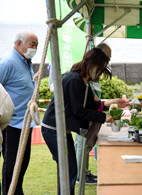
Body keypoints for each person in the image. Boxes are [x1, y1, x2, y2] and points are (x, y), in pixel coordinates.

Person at [41, 46, 129, 195]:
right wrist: (104, 117)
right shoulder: (74, 79)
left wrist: (110, 102)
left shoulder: (82, 81)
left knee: (68, 169)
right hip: (53, 129)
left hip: (60, 129)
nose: (99, 73)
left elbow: (90, 105)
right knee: (69, 169)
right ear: (93, 64)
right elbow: (78, 111)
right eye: (100, 69)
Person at [0, 30, 39, 195]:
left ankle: (17, 191)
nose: (35, 48)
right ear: (19, 44)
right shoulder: (8, 62)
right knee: (12, 165)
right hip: (11, 125)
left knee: (22, 162)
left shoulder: (25, 61)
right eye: (32, 44)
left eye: (37, 45)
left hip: (25, 123)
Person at [74, 43, 112, 185]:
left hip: (92, 116)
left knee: (86, 145)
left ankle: (84, 172)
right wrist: (103, 114)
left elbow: (94, 102)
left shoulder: (91, 76)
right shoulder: (78, 79)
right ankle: (80, 175)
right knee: (82, 144)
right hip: (84, 119)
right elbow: (81, 108)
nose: (108, 61)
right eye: (107, 57)